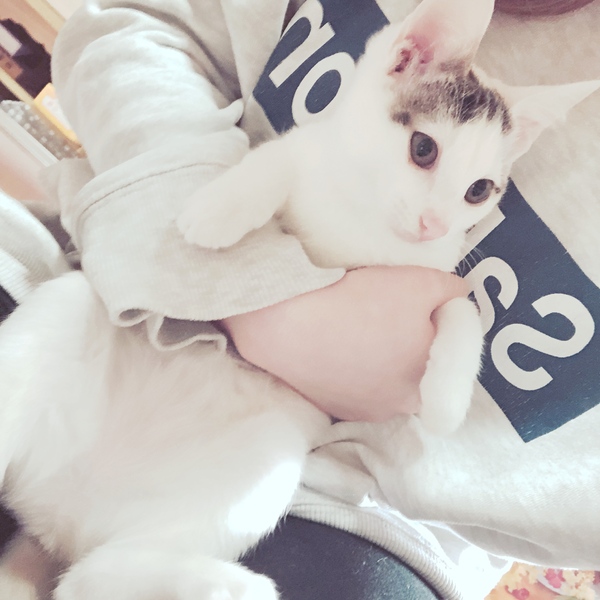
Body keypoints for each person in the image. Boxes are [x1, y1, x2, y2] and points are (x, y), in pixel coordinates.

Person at [2, 0, 600, 598]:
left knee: (270, 460)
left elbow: (453, 314)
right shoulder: (336, 145)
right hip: (132, 319)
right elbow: (135, 31)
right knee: (66, 310)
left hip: (289, 467)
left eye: (475, 192)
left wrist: (449, 356)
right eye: (424, 153)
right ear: (402, 56)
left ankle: (132, 568)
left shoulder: (435, 230)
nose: (435, 220)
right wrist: (264, 305)